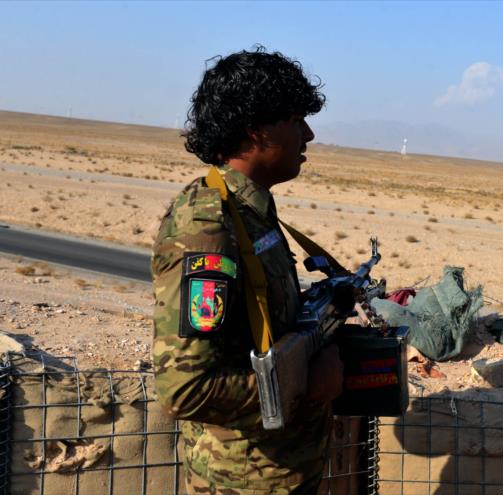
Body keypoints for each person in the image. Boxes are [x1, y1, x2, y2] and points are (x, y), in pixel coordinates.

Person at [151, 47, 344, 494]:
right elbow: (186, 389)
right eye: (295, 120)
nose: (309, 134)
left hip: (279, 473)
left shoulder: (249, 211)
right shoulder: (207, 228)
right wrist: (306, 383)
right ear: (257, 129)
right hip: (242, 481)